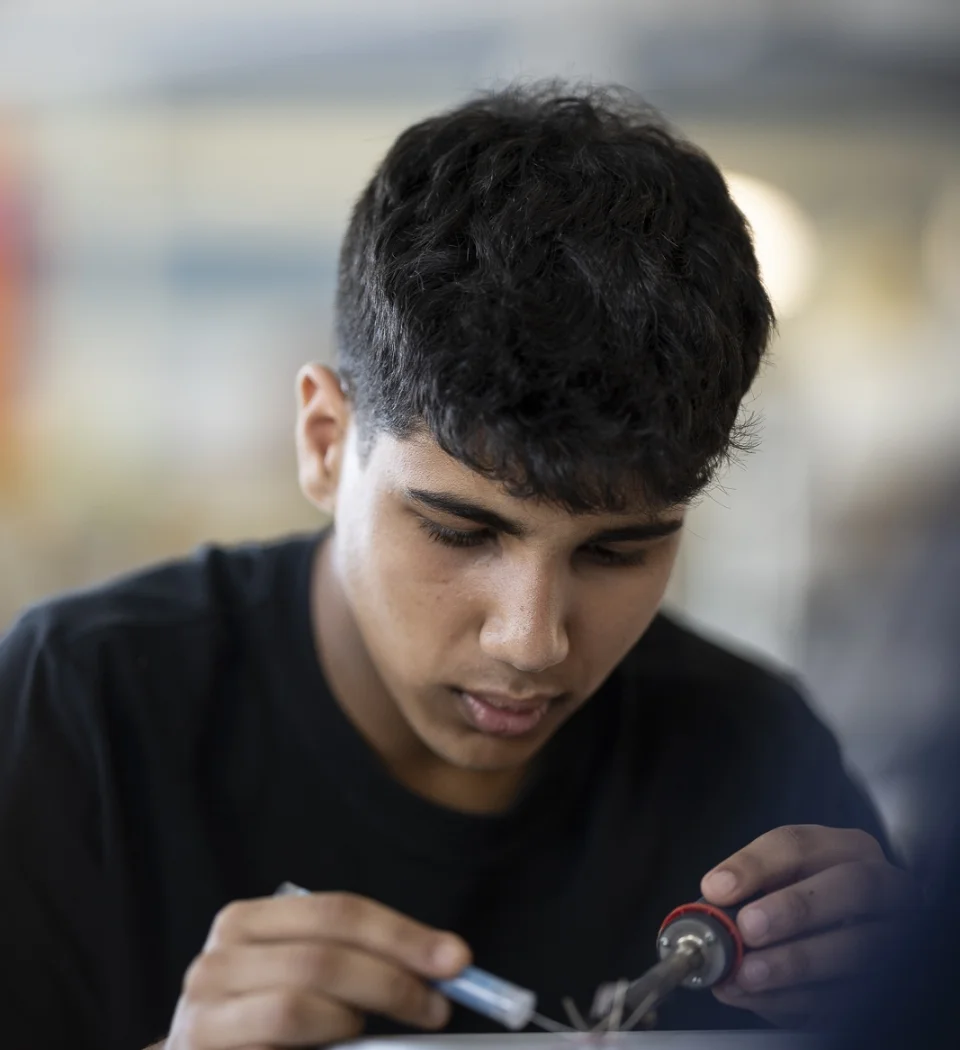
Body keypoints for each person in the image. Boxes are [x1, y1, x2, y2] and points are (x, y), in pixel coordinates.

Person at [0, 85, 911, 1050]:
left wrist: (909, 1005)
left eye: (618, 550)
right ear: (323, 441)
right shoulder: (81, 713)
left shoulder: (753, 760)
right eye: (459, 531)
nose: (532, 641)